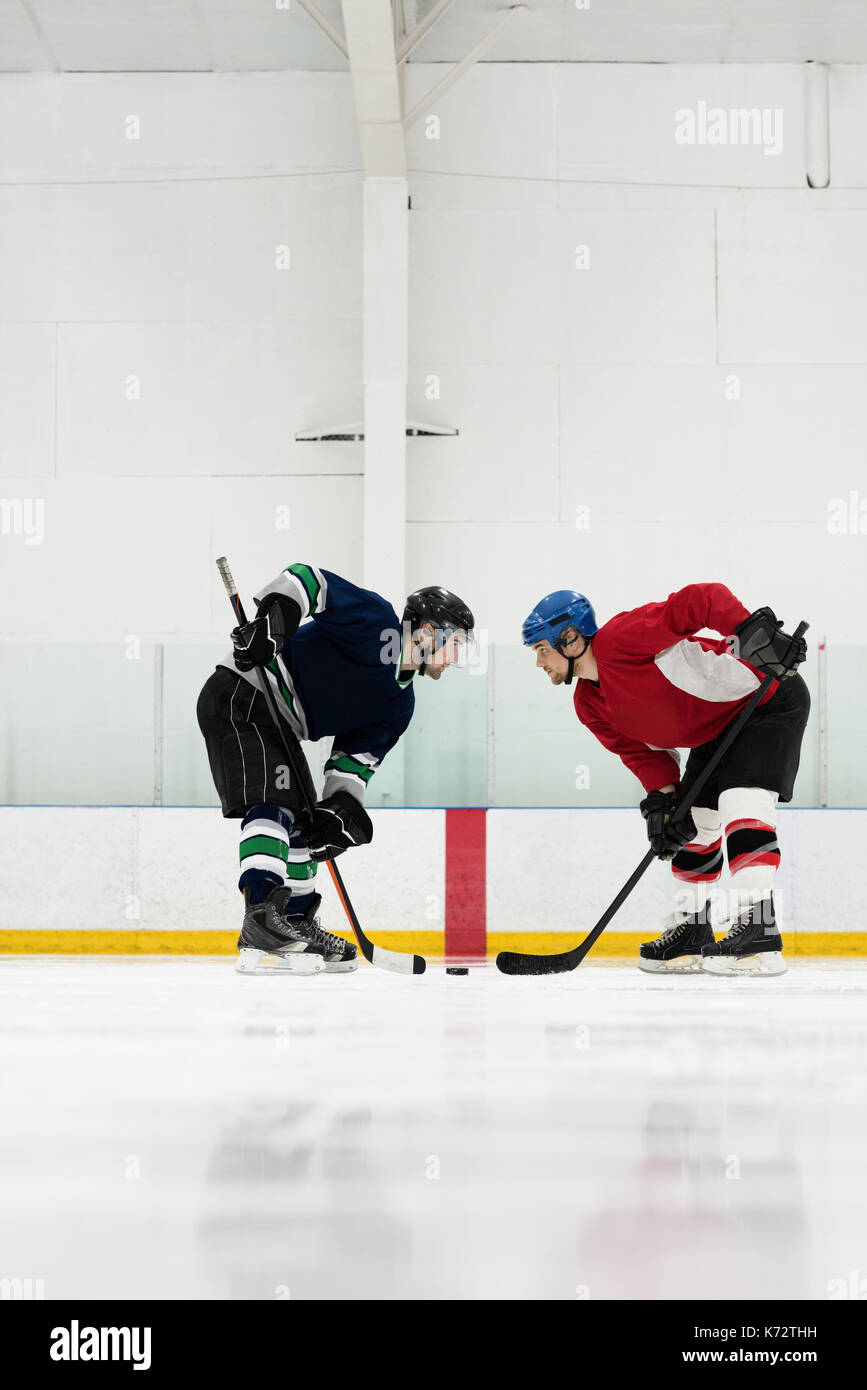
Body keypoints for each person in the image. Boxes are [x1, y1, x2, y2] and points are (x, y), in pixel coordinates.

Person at [197, 562, 475, 974]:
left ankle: (294, 920)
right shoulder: (375, 621)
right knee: (275, 803)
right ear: (429, 632)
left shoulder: (399, 707)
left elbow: (351, 771)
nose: (456, 657)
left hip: (279, 723)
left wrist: (341, 814)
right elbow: (307, 580)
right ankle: (260, 915)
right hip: (242, 693)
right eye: (455, 643)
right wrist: (274, 623)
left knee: (307, 820)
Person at [522, 583, 809, 976]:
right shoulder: (589, 704)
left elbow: (700, 600)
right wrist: (664, 800)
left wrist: (750, 631)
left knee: (741, 801)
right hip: (717, 727)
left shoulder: (621, 639)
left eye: (542, 649)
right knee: (693, 826)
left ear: (570, 640)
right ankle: (693, 931)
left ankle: (759, 929)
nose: (539, 662)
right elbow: (643, 754)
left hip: (766, 697)